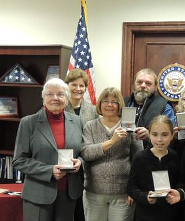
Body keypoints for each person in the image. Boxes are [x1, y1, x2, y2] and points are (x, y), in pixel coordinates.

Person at [12, 78, 84, 221]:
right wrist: (49, 171)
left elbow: (82, 152)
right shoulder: (28, 122)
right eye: (50, 94)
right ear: (43, 98)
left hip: (68, 195)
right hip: (38, 195)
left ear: (67, 98)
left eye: (60, 94)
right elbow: (19, 160)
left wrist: (80, 162)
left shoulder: (76, 121)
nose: (55, 98)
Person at [81, 87, 143, 221]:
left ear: (120, 105)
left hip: (123, 193)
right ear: (100, 104)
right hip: (94, 192)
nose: (109, 105)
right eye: (106, 101)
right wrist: (112, 141)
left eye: (114, 102)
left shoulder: (129, 126)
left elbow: (139, 160)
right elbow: (86, 153)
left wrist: (134, 190)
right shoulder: (90, 126)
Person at [127, 115, 180, 221]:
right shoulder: (140, 158)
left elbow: (181, 182)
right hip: (145, 215)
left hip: (171, 214)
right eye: (155, 135)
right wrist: (145, 197)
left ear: (172, 135)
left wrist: (177, 193)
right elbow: (131, 187)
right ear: (149, 134)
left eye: (164, 135)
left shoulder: (176, 157)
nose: (159, 139)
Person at [64, 69, 98, 221]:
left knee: (81, 211)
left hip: (86, 164)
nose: (78, 89)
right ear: (67, 85)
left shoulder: (93, 111)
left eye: (82, 85)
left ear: (86, 88)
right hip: (62, 162)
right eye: (74, 85)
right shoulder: (59, 107)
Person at [124, 68, 175, 146]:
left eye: (148, 83)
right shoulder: (122, 103)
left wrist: (150, 136)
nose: (143, 86)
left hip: (151, 154)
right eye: (139, 82)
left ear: (155, 87)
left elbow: (170, 136)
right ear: (134, 84)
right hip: (124, 154)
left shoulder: (164, 106)